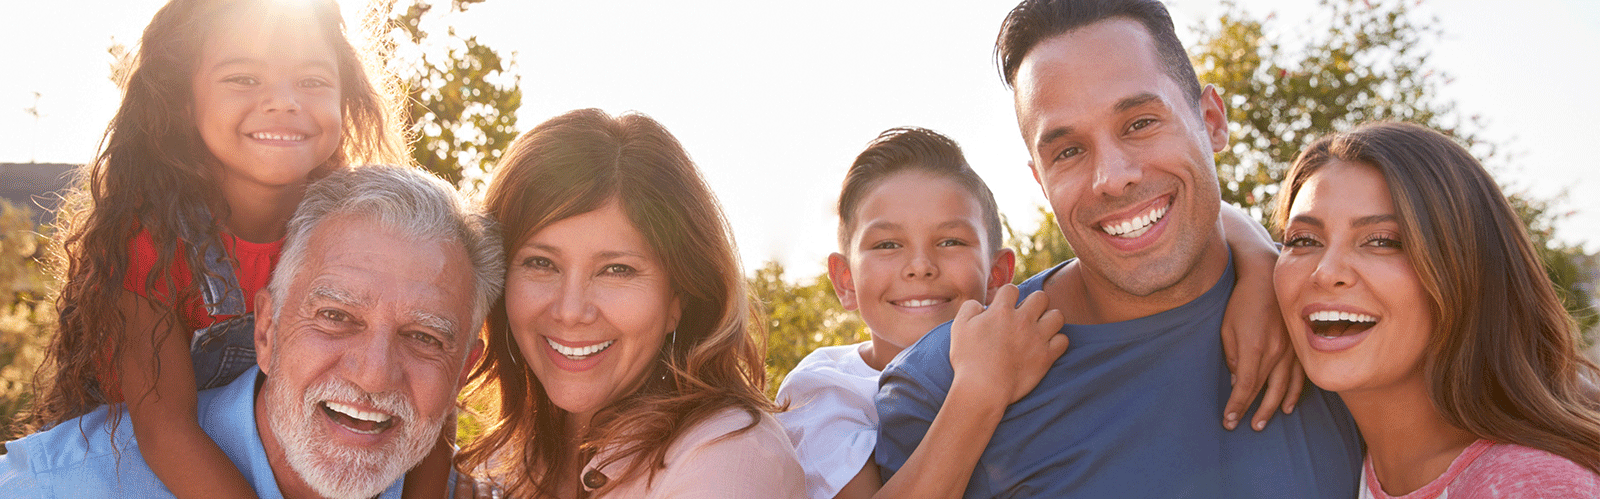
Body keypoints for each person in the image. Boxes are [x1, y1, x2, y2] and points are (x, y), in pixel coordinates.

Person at [873, 0, 1364, 496]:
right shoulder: (942, 384)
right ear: (1041, 182)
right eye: (1068, 152)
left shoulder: (1337, 322)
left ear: (1212, 120)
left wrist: (1264, 265)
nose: (1112, 177)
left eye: (1140, 123)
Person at [13, 0, 470, 497]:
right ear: (183, 102)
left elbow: (432, 396)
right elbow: (166, 431)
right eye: (243, 79)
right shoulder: (152, 240)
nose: (284, 102)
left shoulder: (362, 234)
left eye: (313, 81)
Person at [775, 127, 1292, 499]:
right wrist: (980, 390)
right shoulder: (826, 390)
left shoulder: (1031, 326)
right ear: (844, 279)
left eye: (951, 240)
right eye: (887, 245)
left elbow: (1180, 217)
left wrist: (1258, 256)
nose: (920, 267)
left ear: (1001, 274)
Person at [0, 165, 501, 499]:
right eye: (335, 316)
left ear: (463, 373)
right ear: (267, 331)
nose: (373, 375)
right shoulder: (59, 488)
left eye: (424, 338)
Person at [457, 108, 804, 498]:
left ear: (679, 296)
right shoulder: (497, 464)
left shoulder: (729, 460)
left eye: (616, 270)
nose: (570, 310)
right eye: (541, 263)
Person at [1273, 122, 1600, 498]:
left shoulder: (1528, 485)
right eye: (1303, 240)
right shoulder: (1339, 457)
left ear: (1466, 270)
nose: (1326, 272)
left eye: (1382, 241)